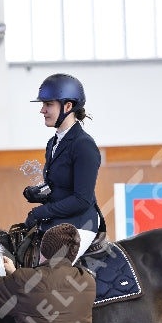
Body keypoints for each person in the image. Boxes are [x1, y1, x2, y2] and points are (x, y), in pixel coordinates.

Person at [23, 74, 105, 262]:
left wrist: (40, 212)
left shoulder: (84, 145)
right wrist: (39, 193)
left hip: (80, 224)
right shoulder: (53, 143)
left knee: (50, 277)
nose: (42, 110)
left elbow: (82, 199)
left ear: (68, 106)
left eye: (48, 104)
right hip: (57, 222)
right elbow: (59, 186)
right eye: (42, 105)